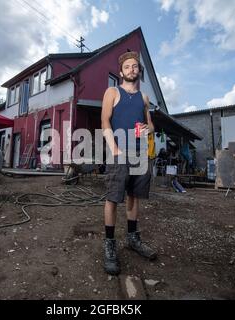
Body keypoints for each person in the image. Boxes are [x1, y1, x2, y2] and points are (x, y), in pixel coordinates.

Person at [100, 51, 157, 275]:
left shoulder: (144, 98)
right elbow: (104, 121)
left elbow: (151, 125)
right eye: (128, 66)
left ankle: (133, 239)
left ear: (138, 71)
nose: (132, 69)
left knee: (134, 196)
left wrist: (148, 128)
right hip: (118, 152)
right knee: (113, 198)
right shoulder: (112, 92)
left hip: (139, 152)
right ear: (121, 71)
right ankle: (110, 244)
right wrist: (114, 149)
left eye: (135, 66)